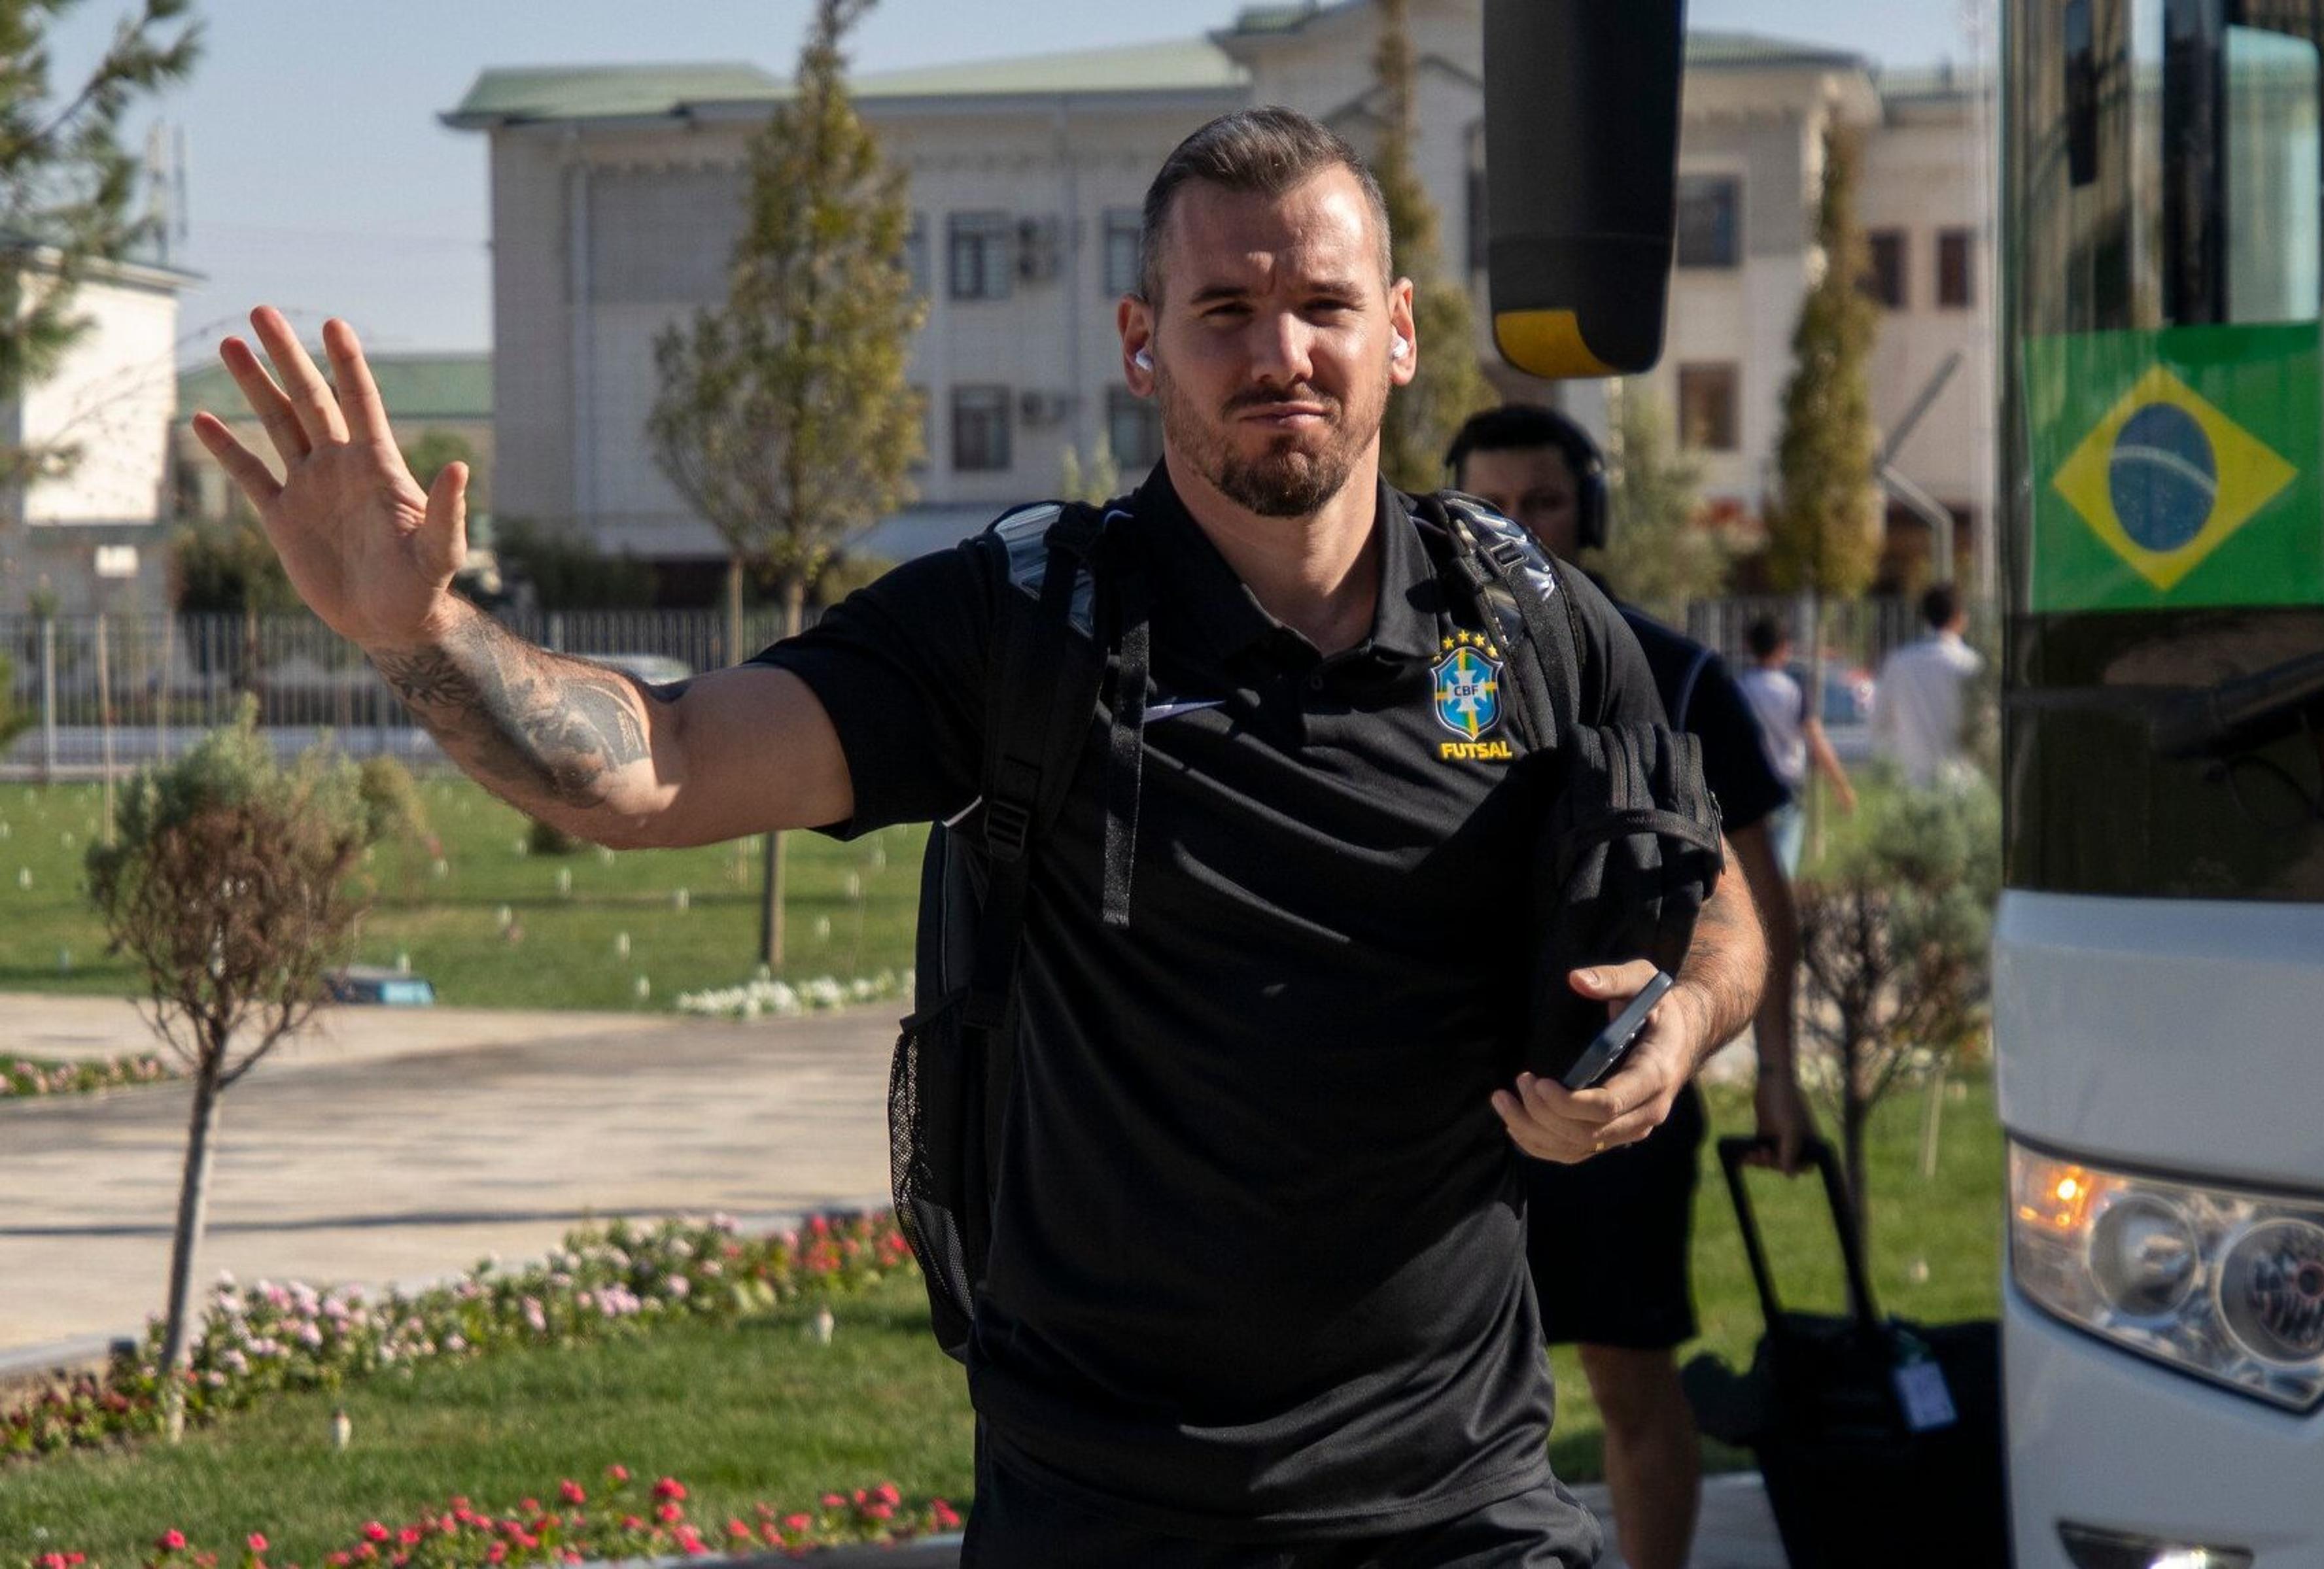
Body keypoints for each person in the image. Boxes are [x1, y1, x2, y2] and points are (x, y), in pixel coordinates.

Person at [190, 108, 1766, 1566]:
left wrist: (1678, 1020)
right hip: (1104, 1502)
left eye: (1324, 307)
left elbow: (1713, 903)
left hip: (1457, 1496)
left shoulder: (1531, 619)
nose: (1280, 352)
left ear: (1399, 331)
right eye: (1223, 311)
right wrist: (419, 637)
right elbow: (655, 765)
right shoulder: (1026, 619)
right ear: (1141, 344)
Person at [1447, 405, 1814, 1569]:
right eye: (1488, 505)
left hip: (1623, 1091)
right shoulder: (1411, 671)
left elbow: (1759, 900)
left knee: (1627, 1377)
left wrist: (1782, 1078)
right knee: (1433, 1392)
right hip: (1448, 1101)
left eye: (1543, 503)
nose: (1516, 529)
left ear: (1589, 513)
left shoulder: (1679, 672)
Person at [1736, 615, 1858, 877]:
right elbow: (1816, 739)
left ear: (1749, 646)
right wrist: (1841, 785)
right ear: (1784, 648)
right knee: (1781, 868)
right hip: (1787, 785)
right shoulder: (1793, 690)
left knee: (1752, 867)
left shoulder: (1739, 688)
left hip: (1749, 787)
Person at [1872, 581, 1986, 788]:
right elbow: (1984, 727)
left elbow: (1879, 722)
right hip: (1962, 781)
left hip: (1913, 783)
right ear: (1959, 617)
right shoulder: (1971, 664)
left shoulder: (1899, 663)